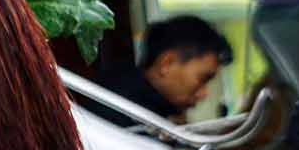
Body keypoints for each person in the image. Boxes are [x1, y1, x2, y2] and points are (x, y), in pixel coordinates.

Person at [92, 15, 233, 126]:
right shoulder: (117, 109)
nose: (204, 94)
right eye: (203, 79)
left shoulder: (155, 112)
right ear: (167, 63)